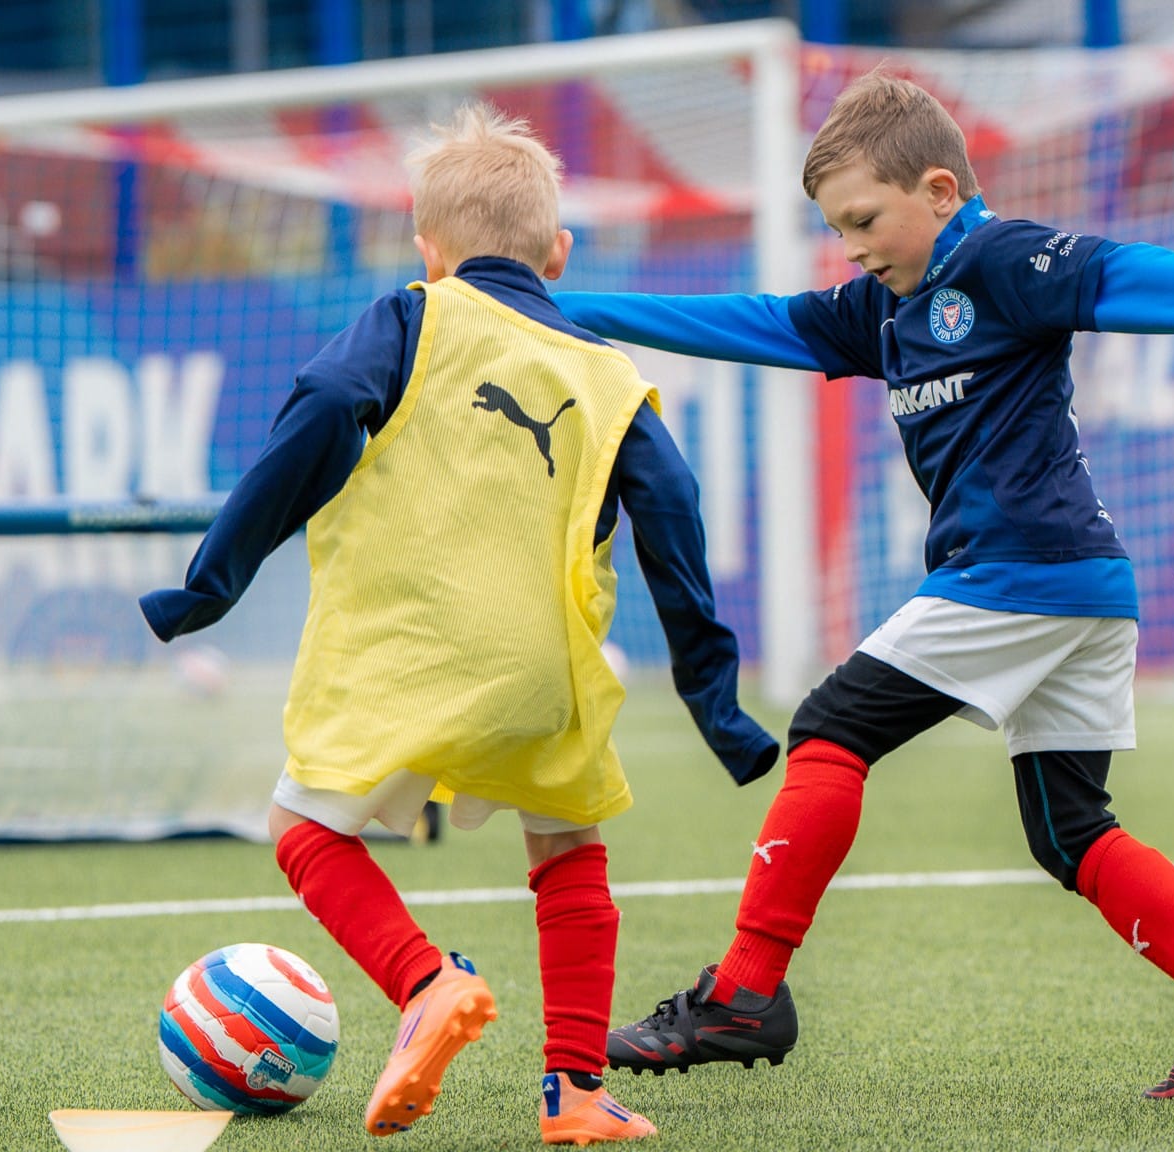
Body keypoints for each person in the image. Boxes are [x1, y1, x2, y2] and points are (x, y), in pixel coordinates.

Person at [556, 69, 1174, 1100]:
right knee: (1069, 829)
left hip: (1023, 574)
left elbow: (1134, 277)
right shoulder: (880, 306)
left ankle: (742, 994)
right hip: (1075, 586)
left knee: (827, 730)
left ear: (941, 190)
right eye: (837, 229)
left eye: (863, 219)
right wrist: (567, 308)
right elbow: (753, 321)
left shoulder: (1002, 259)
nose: (851, 246)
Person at [139, 103, 777, 1145]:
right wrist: (720, 709)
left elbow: (318, 410)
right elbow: (675, 518)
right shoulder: (613, 379)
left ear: (426, 251)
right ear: (558, 253)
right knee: (568, 848)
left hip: (406, 654)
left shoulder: (407, 318)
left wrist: (209, 583)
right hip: (545, 674)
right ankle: (574, 1095)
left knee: (302, 829)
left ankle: (424, 982)